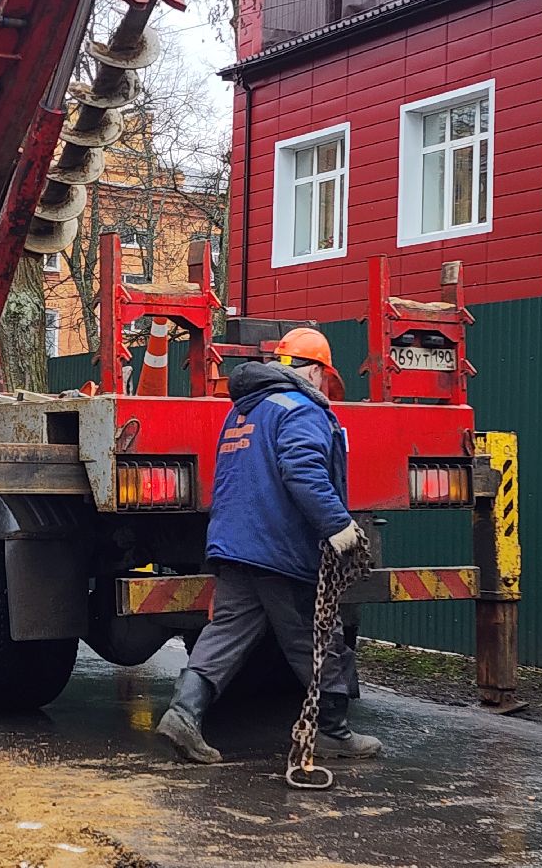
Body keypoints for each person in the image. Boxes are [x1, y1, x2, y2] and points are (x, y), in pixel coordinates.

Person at [155, 327, 383, 764]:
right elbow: (302, 471)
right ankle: (333, 732)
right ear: (316, 371)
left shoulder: (245, 411)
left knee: (225, 633)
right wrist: (338, 525)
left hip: (234, 545)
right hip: (280, 551)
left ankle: (183, 714)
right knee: (320, 637)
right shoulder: (302, 411)